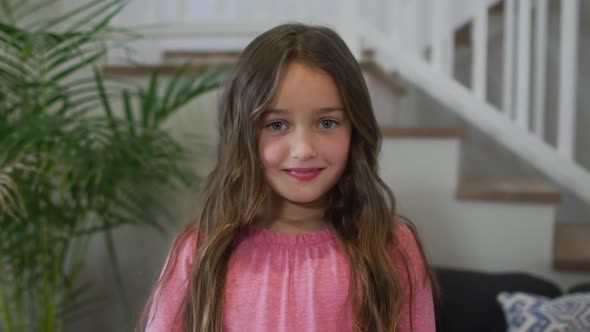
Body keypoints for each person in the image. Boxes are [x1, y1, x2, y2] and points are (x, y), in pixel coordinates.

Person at [140, 23, 436, 332]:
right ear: (244, 135)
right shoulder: (199, 252)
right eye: (277, 125)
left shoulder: (393, 248)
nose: (304, 149)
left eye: (327, 122)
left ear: (355, 129)